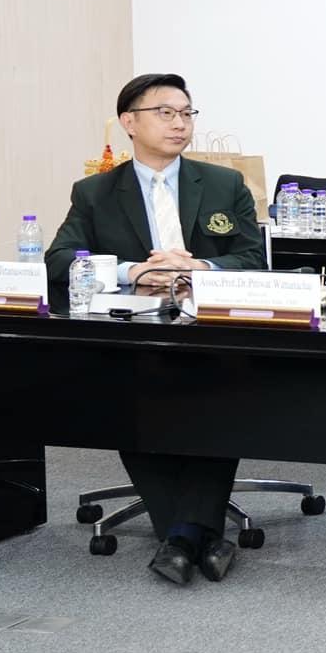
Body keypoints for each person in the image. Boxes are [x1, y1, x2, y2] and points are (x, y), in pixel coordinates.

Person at [43, 73, 264, 587]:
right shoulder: (96, 192)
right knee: (130, 404)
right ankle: (197, 535)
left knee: (220, 404)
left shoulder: (224, 184)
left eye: (186, 113)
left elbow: (253, 258)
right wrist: (132, 271)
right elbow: (59, 259)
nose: (179, 123)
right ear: (129, 122)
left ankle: (181, 537)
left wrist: (198, 268)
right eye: (165, 112)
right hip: (132, 336)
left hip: (209, 334)